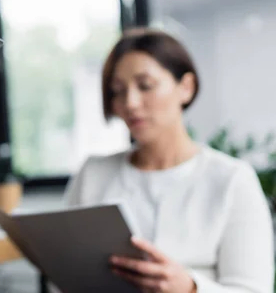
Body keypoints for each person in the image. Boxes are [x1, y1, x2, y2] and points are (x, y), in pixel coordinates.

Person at [63, 28, 274, 293]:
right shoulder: (93, 174)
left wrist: (190, 288)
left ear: (186, 87)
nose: (130, 102)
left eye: (145, 86)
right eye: (117, 91)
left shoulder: (232, 180)